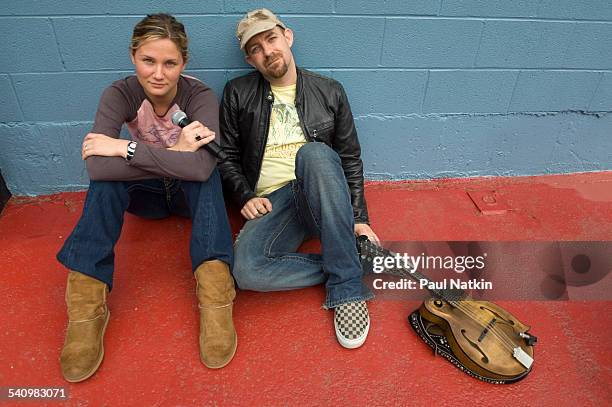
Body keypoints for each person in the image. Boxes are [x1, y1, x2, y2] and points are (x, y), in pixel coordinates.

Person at [56, 13, 236, 382]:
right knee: (105, 185)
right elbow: (97, 170)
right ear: (133, 56)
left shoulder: (199, 97)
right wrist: (178, 157)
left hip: (188, 197)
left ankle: (215, 294)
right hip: (148, 198)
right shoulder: (119, 94)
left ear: (183, 64)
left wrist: (124, 148)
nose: (158, 73)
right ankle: (87, 306)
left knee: (208, 178)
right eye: (148, 61)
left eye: (169, 63)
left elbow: (202, 169)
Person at [219, 9, 380, 349]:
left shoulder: (330, 90)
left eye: (272, 39)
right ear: (250, 59)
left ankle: (347, 288)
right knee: (246, 271)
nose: (268, 52)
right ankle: (347, 262)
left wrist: (361, 220)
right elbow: (228, 156)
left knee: (314, 153)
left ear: (287, 37)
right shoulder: (236, 93)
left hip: (320, 185)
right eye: (257, 49)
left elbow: (349, 158)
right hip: (276, 203)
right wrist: (245, 195)